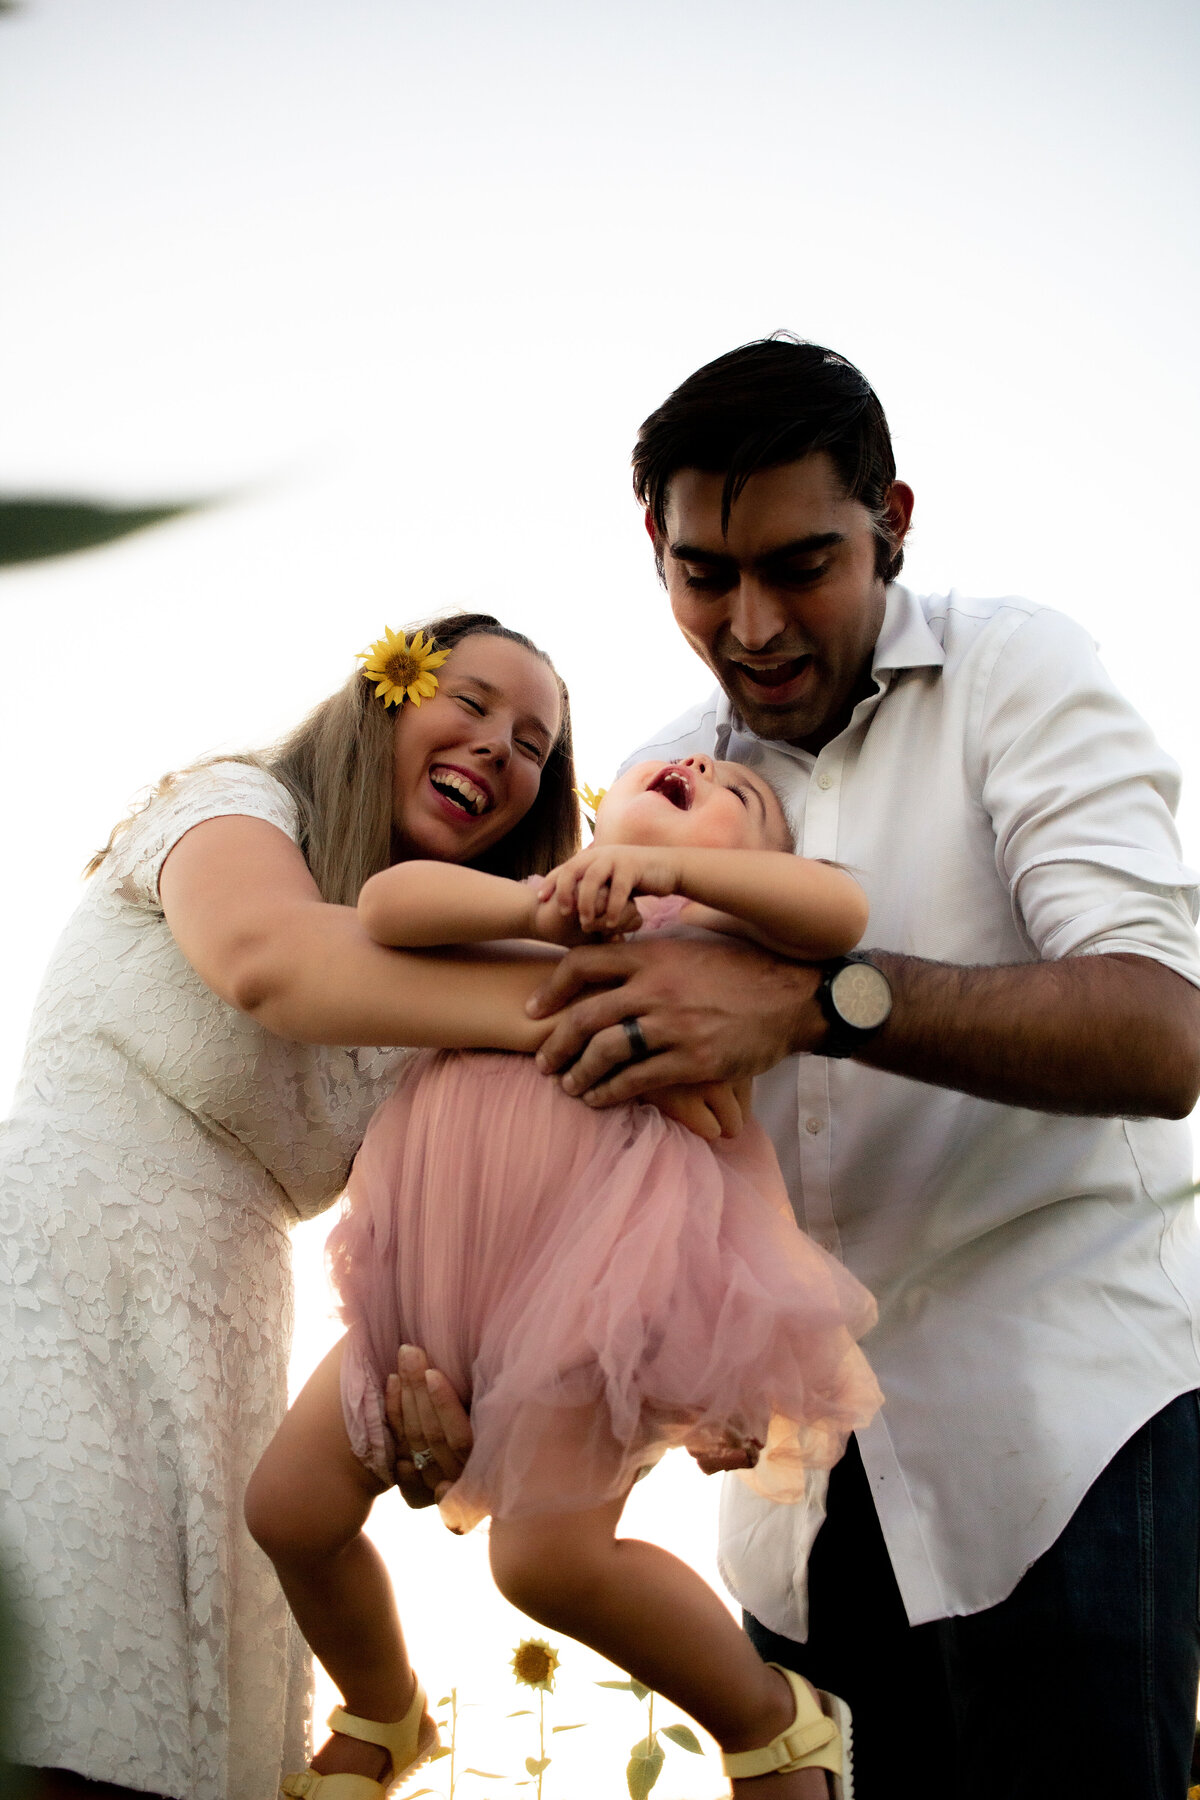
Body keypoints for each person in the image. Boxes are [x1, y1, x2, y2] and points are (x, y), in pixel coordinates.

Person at [484, 338, 1200, 1798]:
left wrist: (813, 1002)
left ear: (896, 520)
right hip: (794, 1498)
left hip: (1062, 1420)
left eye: (803, 564)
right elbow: (604, 1109)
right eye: (703, 576)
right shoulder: (663, 778)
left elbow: (1163, 1028)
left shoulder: (1019, 669)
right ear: (655, 550)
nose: (749, 624)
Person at [0, 613, 587, 1800]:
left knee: (158, 1757)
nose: (498, 750)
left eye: (533, 744)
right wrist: (581, 996)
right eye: (468, 702)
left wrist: (428, 1402)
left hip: (222, 1345)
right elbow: (268, 961)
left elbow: (444, 1216)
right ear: (388, 696)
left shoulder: (442, 997)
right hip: (49, 1271)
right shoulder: (232, 805)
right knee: (50, 1712)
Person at [244, 753, 883, 1800]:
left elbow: (838, 910)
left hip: (594, 1312)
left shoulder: (714, 965)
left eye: (742, 797)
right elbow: (390, 905)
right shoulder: (530, 915)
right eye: (666, 768)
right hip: (415, 1304)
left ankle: (772, 1721)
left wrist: (690, 881)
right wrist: (542, 907)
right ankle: (382, 1707)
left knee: (543, 1567)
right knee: (286, 1511)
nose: (699, 769)